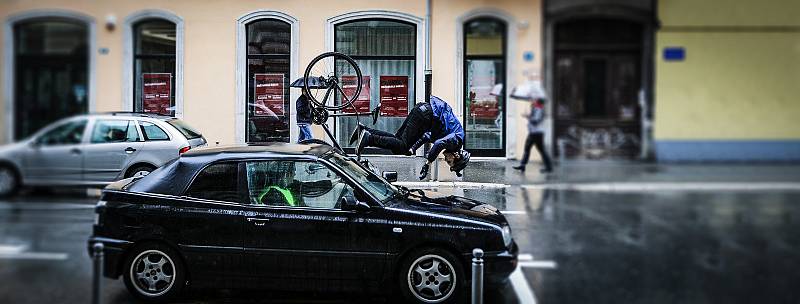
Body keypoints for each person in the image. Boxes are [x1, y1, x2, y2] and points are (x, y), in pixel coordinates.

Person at [350, 96, 470, 180]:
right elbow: (438, 143)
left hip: (422, 111)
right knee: (402, 146)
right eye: (449, 161)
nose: (446, 159)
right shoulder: (456, 141)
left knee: (398, 143)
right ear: (456, 156)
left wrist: (413, 149)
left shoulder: (452, 137)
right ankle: (369, 138)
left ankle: (364, 130)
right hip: (425, 115)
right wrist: (427, 163)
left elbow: (426, 136)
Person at [514, 98, 553, 173]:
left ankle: (548, 167)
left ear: (538, 102)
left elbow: (536, 120)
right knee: (528, 149)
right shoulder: (536, 109)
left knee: (539, 150)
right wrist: (530, 112)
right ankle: (522, 165)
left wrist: (527, 116)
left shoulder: (539, 109)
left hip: (536, 133)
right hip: (534, 133)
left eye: (534, 101)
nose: (532, 102)